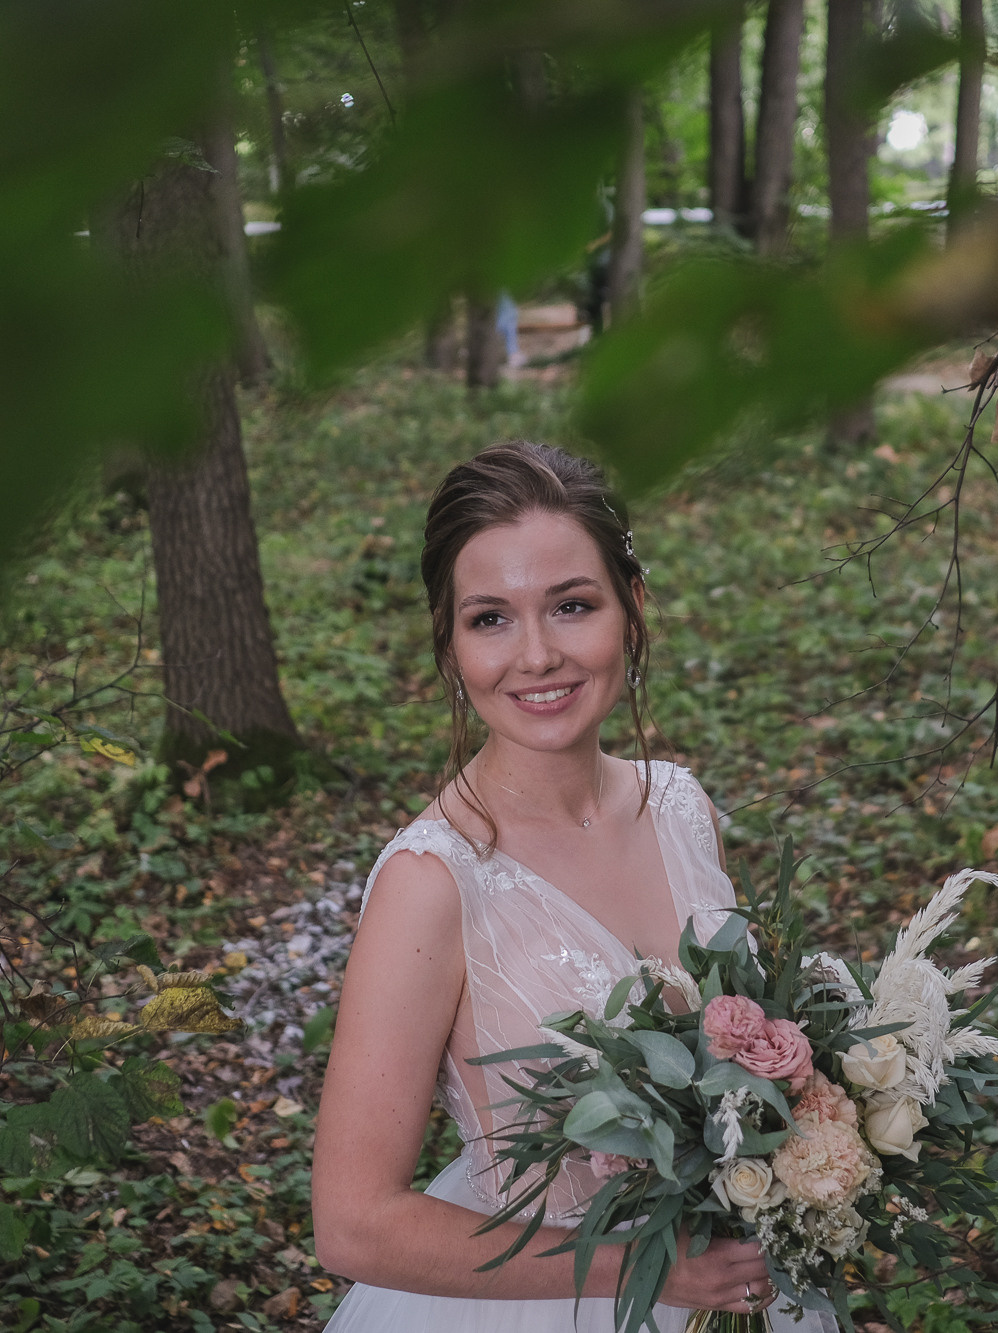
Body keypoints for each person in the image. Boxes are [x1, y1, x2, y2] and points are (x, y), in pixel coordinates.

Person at [312, 443, 831, 1331]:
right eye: (491, 619)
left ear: (630, 607)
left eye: (571, 605)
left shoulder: (680, 806)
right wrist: (650, 1269)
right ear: (449, 641)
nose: (538, 655)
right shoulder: (433, 882)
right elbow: (355, 1225)